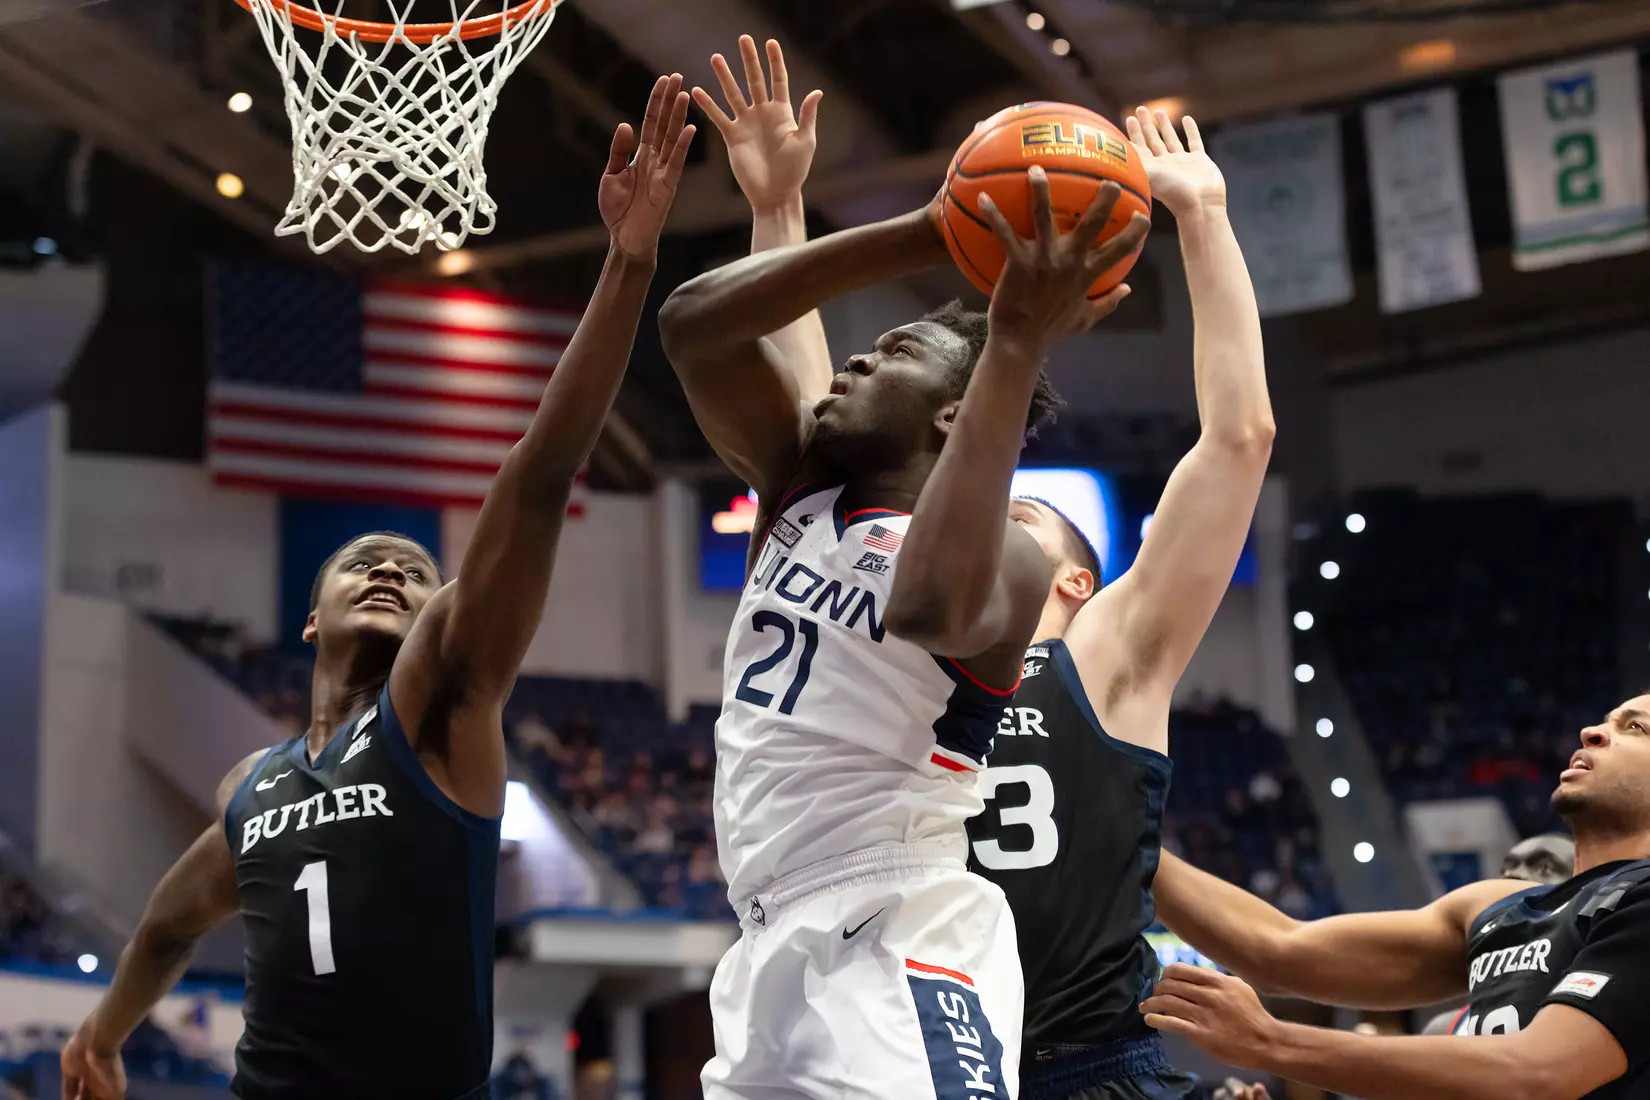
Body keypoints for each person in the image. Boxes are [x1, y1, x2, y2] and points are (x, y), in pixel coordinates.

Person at [59, 75, 697, 1100]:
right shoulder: (251, 787)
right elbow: (170, 921)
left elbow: (534, 480)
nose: (395, 567)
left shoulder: (438, 701)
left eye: (418, 568)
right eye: (364, 560)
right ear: (310, 617)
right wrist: (102, 1028)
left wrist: (626, 265)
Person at [666, 36, 1149, 1100]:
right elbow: (695, 324)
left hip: (897, 929)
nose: (855, 356)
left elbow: (927, 603)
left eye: (891, 352)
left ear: (951, 410)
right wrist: (878, 224)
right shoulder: (804, 490)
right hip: (764, 936)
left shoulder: (1014, 561)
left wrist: (1014, 347)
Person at [964, 107, 1274, 1100]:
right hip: (922, 1065)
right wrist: (778, 212)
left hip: (1088, 1066)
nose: (987, 524)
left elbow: (1238, 439)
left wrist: (1203, 217)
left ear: (1073, 582)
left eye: (1020, 516)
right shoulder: (914, 658)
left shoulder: (1107, 652)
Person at [1142, 693, 1650, 1100]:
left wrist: (1271, 1042)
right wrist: (1121, 837)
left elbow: (1540, 1072)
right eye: (1607, 719)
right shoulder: (1494, 904)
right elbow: (1281, 949)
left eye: (1635, 727)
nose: (1593, 731)